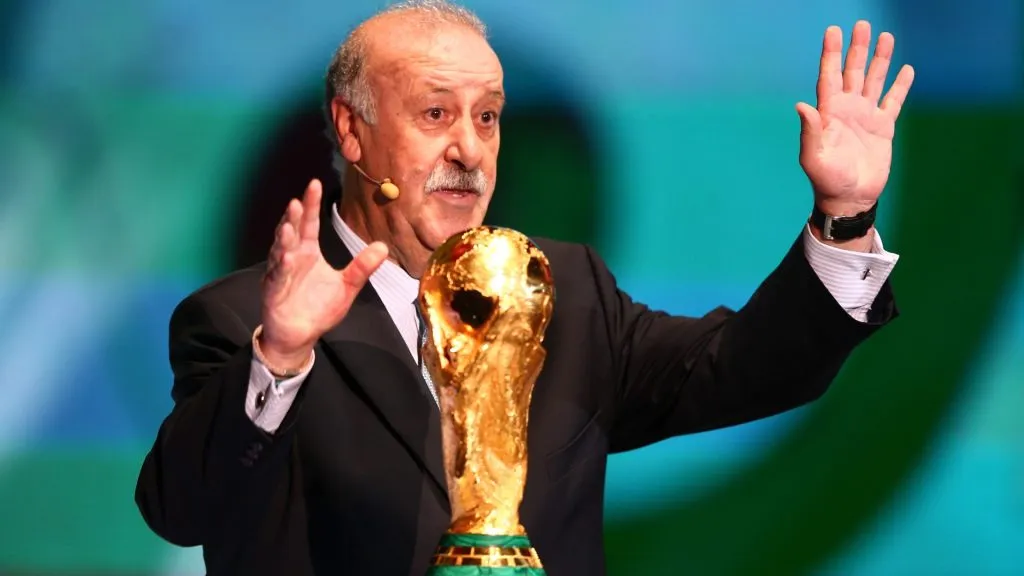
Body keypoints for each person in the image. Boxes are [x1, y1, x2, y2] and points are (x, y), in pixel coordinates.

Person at [134, 1, 915, 574]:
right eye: (435, 114)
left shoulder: (563, 291)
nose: (470, 150)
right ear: (351, 130)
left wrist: (844, 217)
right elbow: (181, 510)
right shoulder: (240, 322)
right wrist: (279, 357)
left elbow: (748, 367)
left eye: (489, 117)